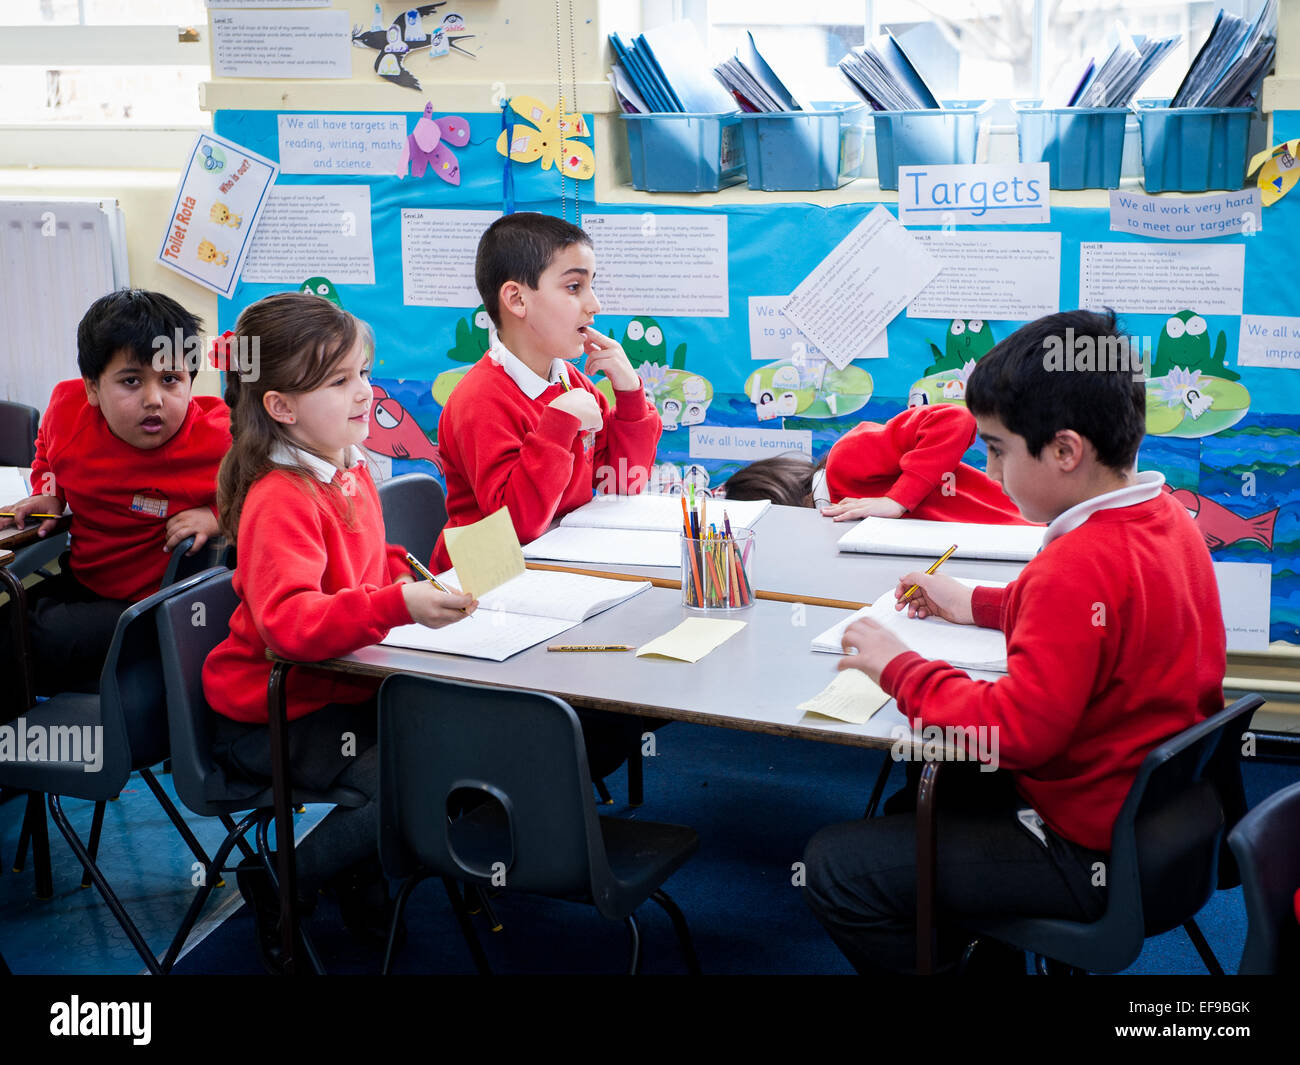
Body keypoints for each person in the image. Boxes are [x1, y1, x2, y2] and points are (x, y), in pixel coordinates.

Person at [803, 310, 1227, 974]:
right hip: (1157, 822)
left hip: (1084, 849)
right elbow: (1101, 622)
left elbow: (1015, 733)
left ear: (1064, 451)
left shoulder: (1074, 562)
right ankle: (985, 947)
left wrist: (902, 668)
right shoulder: (1165, 517)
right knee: (926, 794)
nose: (989, 470)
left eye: (997, 449)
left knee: (834, 867)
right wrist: (974, 601)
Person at [201, 292, 476, 972]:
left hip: (334, 689)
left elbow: (360, 570)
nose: (364, 392)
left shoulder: (347, 468)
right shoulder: (280, 498)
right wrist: (397, 603)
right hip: (272, 713)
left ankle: (354, 861)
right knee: (409, 771)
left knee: (451, 735)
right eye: (339, 380)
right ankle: (284, 876)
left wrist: (418, 576)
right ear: (282, 407)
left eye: (362, 372)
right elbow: (290, 624)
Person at [0, 289, 229, 723]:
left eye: (171, 380)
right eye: (131, 381)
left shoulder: (219, 438)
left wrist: (220, 516)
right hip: (86, 580)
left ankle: (21, 762)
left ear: (191, 382)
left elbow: (281, 483)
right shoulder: (67, 408)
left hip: (158, 607)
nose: (154, 399)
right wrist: (50, 489)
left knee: (25, 637)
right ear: (92, 388)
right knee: (9, 625)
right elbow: (47, 450)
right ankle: (18, 771)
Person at [431, 211, 662, 571]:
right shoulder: (479, 400)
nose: (594, 304)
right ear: (517, 300)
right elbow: (518, 526)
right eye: (574, 287)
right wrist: (558, 425)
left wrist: (630, 393)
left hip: (553, 557)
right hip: (481, 576)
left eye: (591, 286)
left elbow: (623, 483)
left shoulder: (571, 381)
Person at [820, 404, 1031, 524]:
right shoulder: (842, 505)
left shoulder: (842, 463)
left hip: (1028, 525)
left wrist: (897, 500)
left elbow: (956, 418)